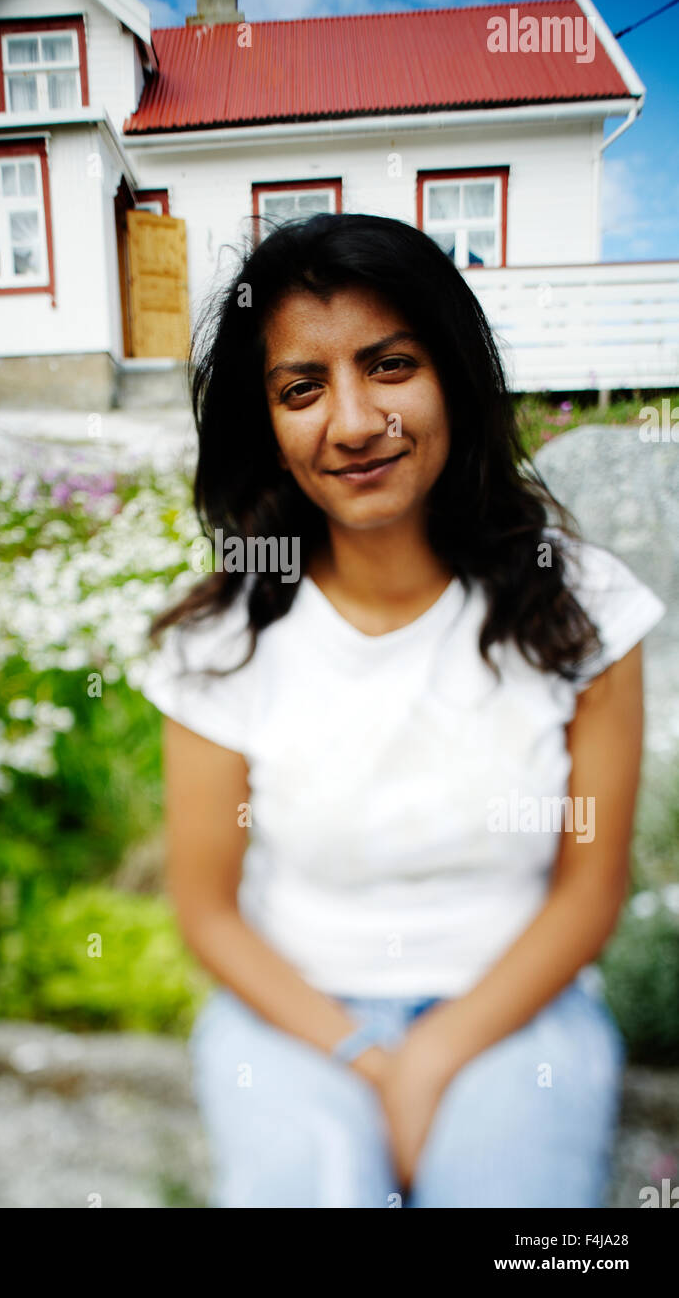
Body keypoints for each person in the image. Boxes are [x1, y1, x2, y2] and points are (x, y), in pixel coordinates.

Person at [136, 212, 667, 1208]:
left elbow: (587, 891)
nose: (349, 421)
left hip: (520, 1012)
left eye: (388, 365)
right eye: (302, 387)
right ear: (267, 425)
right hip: (288, 1018)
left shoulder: (581, 608)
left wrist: (430, 1057)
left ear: (453, 375)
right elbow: (207, 908)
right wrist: (357, 1052)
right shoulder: (220, 642)